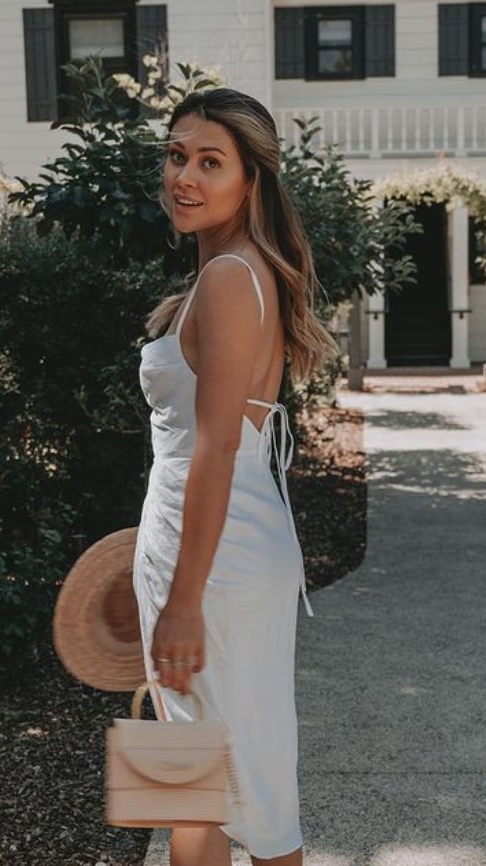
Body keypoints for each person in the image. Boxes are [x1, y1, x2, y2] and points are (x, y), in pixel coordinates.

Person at [133, 87, 335, 866]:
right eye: (176, 156)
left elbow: (214, 450)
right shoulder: (230, 275)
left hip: (213, 564)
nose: (184, 176)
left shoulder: (228, 278)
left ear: (251, 180)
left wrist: (182, 601)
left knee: (240, 788)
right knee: (195, 785)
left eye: (210, 162)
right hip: (206, 543)